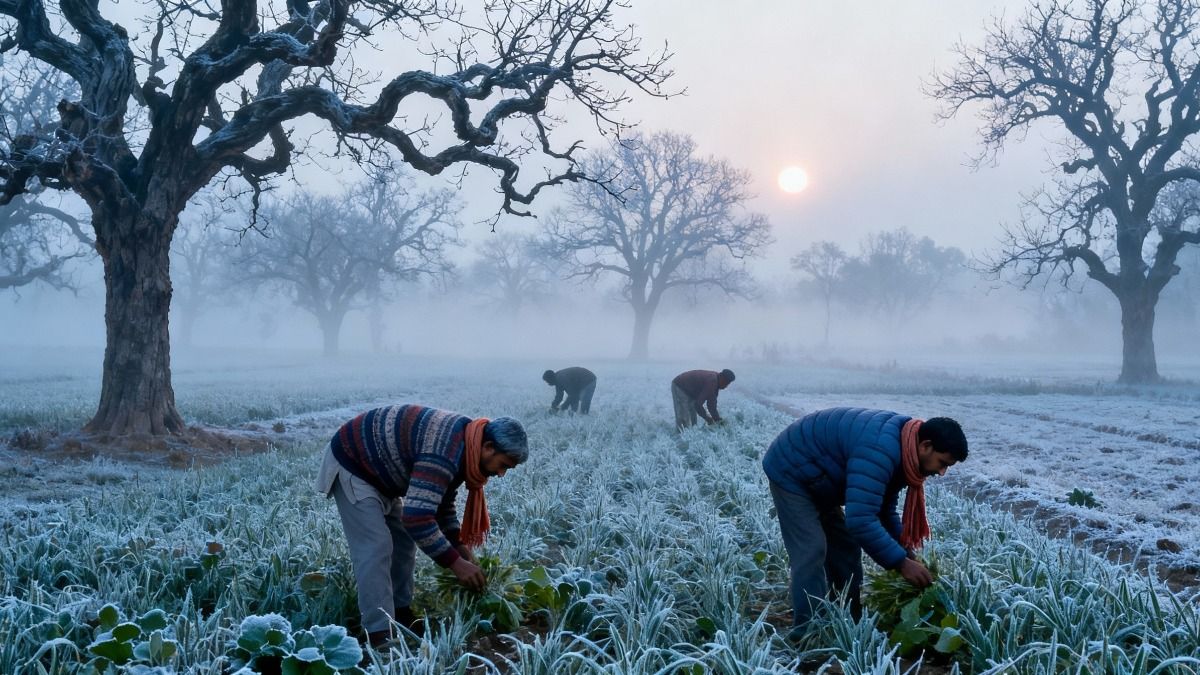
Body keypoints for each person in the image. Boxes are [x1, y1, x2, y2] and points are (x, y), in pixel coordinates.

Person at [316, 404, 528, 647]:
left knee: (403, 542)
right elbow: (417, 518)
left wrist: (459, 547)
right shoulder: (445, 451)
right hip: (354, 462)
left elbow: (440, 504)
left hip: (382, 473)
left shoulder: (467, 446)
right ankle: (378, 634)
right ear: (488, 447)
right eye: (503, 465)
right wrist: (456, 565)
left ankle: (400, 612)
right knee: (375, 547)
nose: (501, 474)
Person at [761, 407, 967, 633]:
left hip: (823, 477)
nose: (942, 472)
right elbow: (861, 520)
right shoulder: (880, 449)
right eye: (942, 463)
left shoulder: (906, 452)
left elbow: (883, 510)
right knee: (811, 550)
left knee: (846, 547)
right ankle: (809, 632)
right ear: (926, 446)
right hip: (793, 469)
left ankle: (848, 616)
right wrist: (901, 563)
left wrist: (906, 552)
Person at [671, 368, 735, 431]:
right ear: (721, 377)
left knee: (693, 422)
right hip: (680, 387)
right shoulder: (712, 381)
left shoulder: (715, 384)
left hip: (690, 393)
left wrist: (718, 420)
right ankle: (679, 438)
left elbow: (711, 406)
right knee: (684, 421)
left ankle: (691, 436)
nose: (726, 386)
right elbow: (698, 405)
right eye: (726, 383)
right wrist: (707, 419)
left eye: (728, 384)